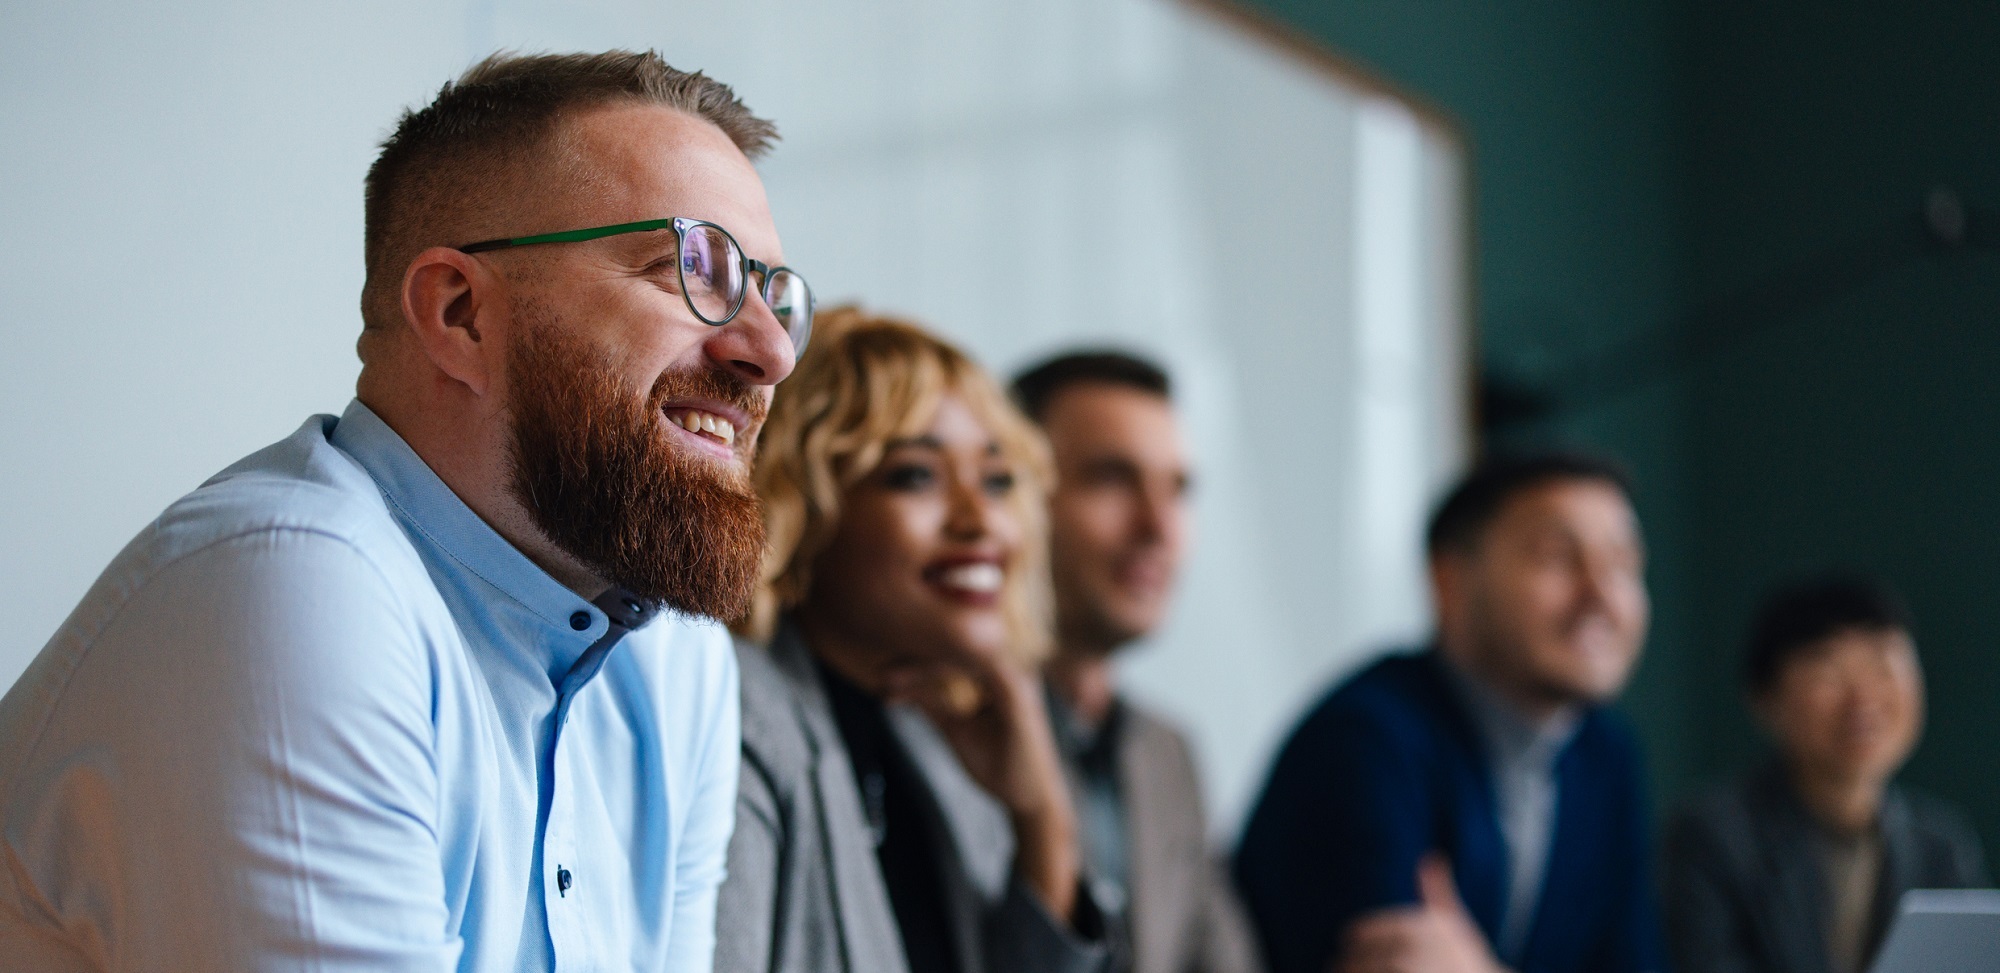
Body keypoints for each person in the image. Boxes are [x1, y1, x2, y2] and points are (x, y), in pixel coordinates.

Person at [0, 51, 810, 972]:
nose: (770, 352)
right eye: (691, 271)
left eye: (774, 295)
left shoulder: (676, 658)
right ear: (460, 312)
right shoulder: (291, 583)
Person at [716, 308, 1109, 973]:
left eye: (996, 479)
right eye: (917, 476)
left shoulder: (939, 734)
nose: (979, 519)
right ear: (807, 507)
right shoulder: (738, 716)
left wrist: (1043, 817)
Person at [1235, 452, 1664, 973]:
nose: (1601, 595)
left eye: (1623, 564)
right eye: (1557, 557)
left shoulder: (1604, 752)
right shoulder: (1365, 739)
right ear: (1450, 578)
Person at [1009, 351, 1264, 973]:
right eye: (1111, 478)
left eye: (1177, 489)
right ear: (1011, 493)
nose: (1158, 526)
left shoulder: (1169, 754)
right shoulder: (946, 727)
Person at [1663, 574, 1989, 973]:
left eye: (1884, 665)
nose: (1863, 698)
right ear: (1765, 700)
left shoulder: (1942, 846)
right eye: (1828, 672)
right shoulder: (1712, 837)